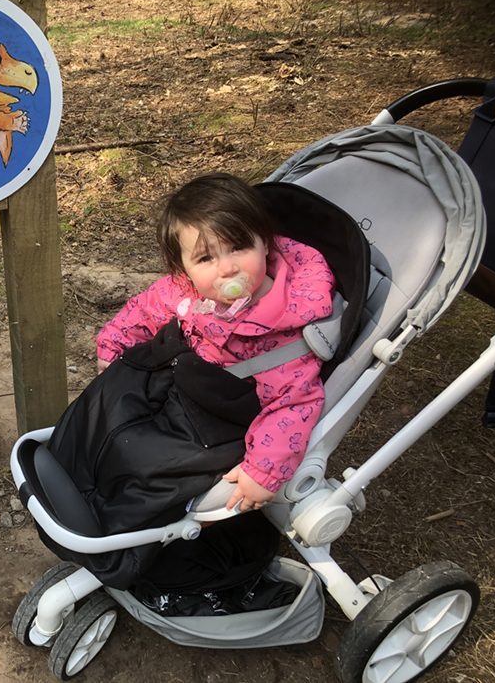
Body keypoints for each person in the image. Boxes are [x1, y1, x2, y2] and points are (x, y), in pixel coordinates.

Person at [95, 172, 335, 512]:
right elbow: (144, 310)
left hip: (225, 419)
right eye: (206, 258)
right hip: (181, 391)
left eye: (238, 247)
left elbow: (294, 402)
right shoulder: (185, 291)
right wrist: (113, 344)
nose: (226, 268)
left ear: (265, 243)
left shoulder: (284, 324)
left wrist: (264, 470)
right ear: (184, 268)